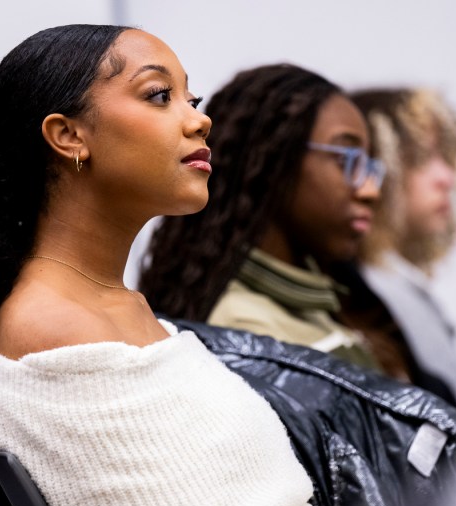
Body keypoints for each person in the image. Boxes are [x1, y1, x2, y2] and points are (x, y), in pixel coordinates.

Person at [0, 25, 384, 506]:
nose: (200, 119)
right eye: (160, 95)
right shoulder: (52, 329)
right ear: (69, 135)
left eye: (193, 98)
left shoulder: (119, 310)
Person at [140, 64, 391, 372]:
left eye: (368, 165)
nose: (369, 190)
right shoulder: (245, 331)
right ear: (273, 159)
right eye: (345, 159)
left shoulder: (317, 303)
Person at [340, 88, 456, 423]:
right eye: (420, 159)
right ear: (376, 165)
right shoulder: (379, 292)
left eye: (447, 157)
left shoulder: (394, 280)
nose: (446, 177)